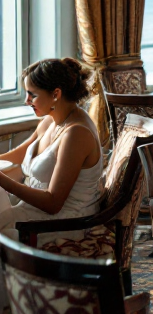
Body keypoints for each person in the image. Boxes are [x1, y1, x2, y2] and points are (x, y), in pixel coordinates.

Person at [0, 59, 103, 240]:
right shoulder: (51, 120)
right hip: (34, 210)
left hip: (64, 223)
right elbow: (20, 155)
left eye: (32, 95)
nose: (27, 101)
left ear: (56, 94)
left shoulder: (77, 134)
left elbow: (53, 204)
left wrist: (3, 181)